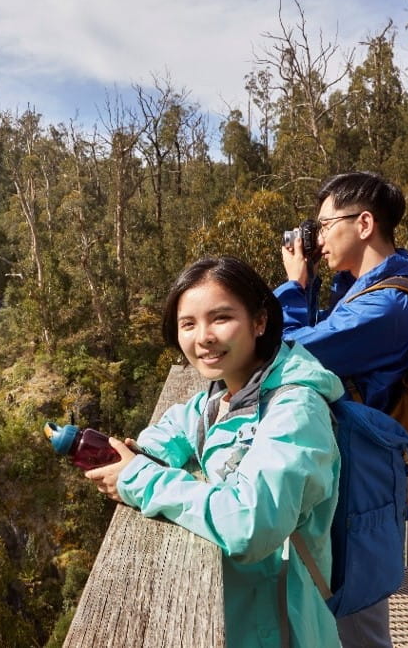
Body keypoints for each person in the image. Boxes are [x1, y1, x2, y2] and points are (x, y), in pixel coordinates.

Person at [85, 256, 343, 647]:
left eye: (220, 318)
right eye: (188, 324)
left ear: (259, 321)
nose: (202, 336)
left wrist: (141, 477)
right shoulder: (223, 394)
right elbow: (172, 430)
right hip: (241, 617)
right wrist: (139, 454)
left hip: (283, 626)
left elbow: (251, 524)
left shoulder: (296, 411)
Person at [274, 171, 408, 647]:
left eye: (323, 225)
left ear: (363, 224)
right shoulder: (361, 292)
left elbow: (286, 352)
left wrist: (293, 288)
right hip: (352, 471)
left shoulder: (386, 307)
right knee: (339, 611)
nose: (315, 239)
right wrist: (314, 285)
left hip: (361, 481)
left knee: (358, 622)